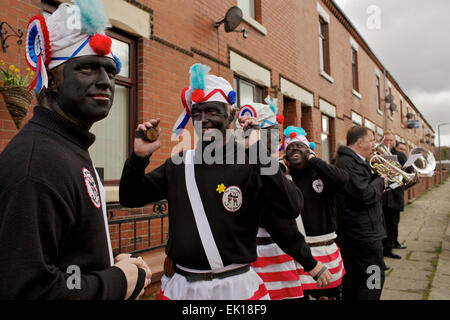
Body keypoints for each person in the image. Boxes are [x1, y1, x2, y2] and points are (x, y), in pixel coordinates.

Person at [0, 1, 151, 299]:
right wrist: (119, 281)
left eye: (110, 71)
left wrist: (110, 265)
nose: (105, 81)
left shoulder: (67, 146)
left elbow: (66, 262)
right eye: (87, 68)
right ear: (53, 79)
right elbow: (29, 289)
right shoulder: (38, 163)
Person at [119, 63, 303, 300]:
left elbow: (291, 207)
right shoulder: (178, 164)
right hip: (183, 290)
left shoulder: (252, 162)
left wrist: (258, 151)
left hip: (237, 289)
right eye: (197, 113)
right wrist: (138, 158)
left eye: (213, 111)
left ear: (232, 116)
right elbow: (130, 197)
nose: (204, 119)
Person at [236, 100, 332, 300]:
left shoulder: (234, 165)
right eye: (273, 134)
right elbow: (281, 220)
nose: (278, 142)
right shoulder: (262, 170)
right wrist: (311, 263)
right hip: (266, 260)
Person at [280, 126, 348, 300]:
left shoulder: (322, 173)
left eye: (299, 146)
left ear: (308, 149)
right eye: (290, 147)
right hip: (299, 253)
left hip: (325, 248)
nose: (294, 149)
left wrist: (313, 159)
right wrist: (279, 167)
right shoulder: (285, 178)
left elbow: (342, 179)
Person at [334, 126, 388, 300]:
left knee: (355, 281)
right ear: (360, 142)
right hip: (364, 235)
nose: (374, 144)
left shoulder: (353, 161)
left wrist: (377, 179)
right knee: (373, 280)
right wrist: (381, 181)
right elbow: (364, 195)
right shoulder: (347, 163)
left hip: (360, 232)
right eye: (371, 140)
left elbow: (361, 189)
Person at [381, 133, 408, 259]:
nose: (388, 142)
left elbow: (408, 173)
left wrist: (398, 173)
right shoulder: (379, 154)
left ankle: (390, 246)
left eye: (391, 140)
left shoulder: (400, 155)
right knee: (383, 224)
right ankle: (384, 248)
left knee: (393, 223)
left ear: (394, 142)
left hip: (395, 195)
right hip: (382, 196)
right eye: (386, 139)